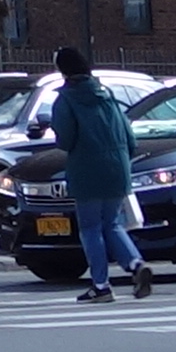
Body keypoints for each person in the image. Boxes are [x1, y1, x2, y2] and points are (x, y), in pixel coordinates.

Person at [52, 46, 145, 302]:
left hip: (87, 170)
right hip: (118, 167)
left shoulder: (67, 100)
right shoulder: (107, 95)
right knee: (112, 223)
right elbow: (130, 137)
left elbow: (66, 140)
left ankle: (101, 285)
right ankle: (135, 263)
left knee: (90, 228)